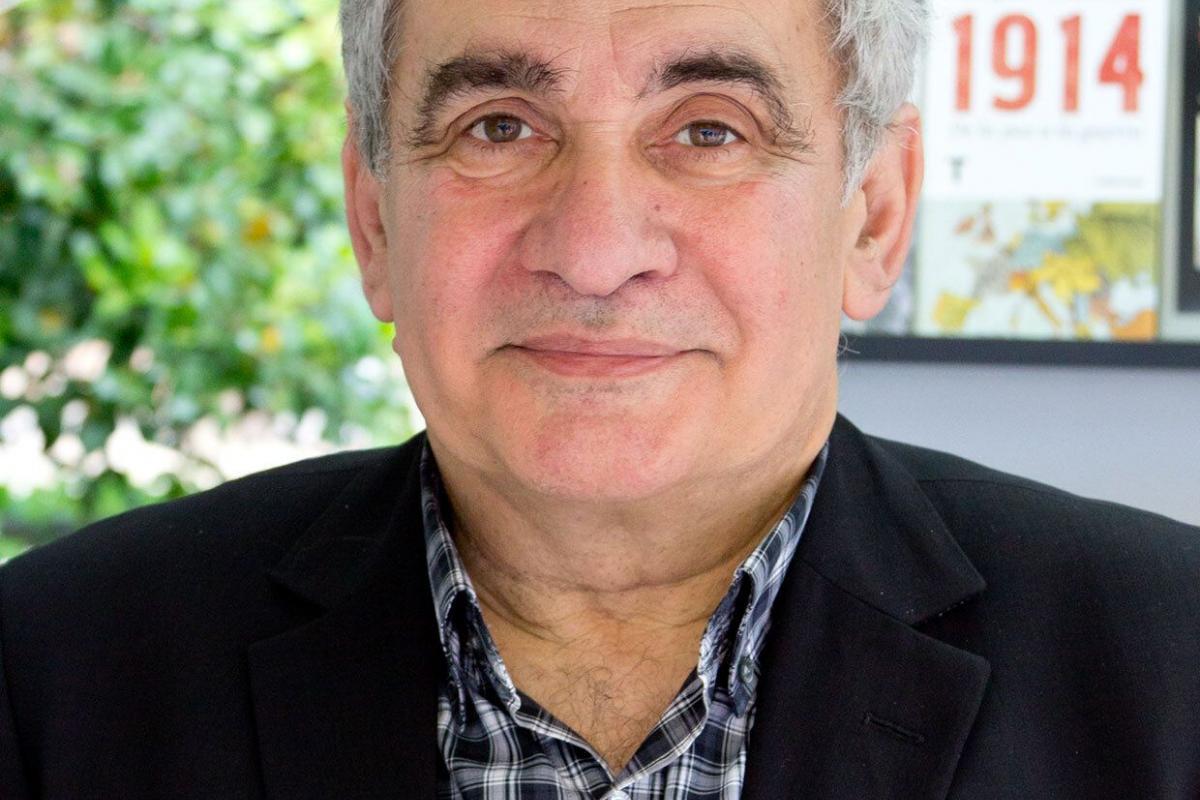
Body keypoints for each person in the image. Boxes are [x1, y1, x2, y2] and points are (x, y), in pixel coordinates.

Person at [2, 0, 1198, 796]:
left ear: (873, 216)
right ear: (375, 222)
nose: (594, 249)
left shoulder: (1174, 669)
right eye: (499, 126)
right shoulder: (52, 676)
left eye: (711, 131)